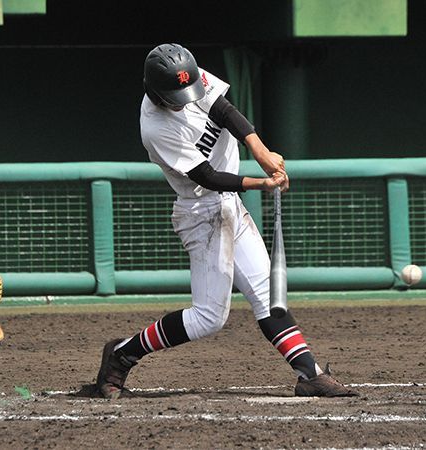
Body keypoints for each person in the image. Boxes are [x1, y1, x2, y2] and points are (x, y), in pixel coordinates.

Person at [96, 43, 357, 399]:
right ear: (155, 90)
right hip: (201, 212)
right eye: (177, 95)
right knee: (208, 318)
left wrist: (261, 152)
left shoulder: (187, 76)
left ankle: (308, 373)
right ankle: (123, 352)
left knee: (268, 294)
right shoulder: (155, 128)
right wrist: (261, 182)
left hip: (230, 204)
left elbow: (225, 110)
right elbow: (206, 176)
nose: (187, 99)